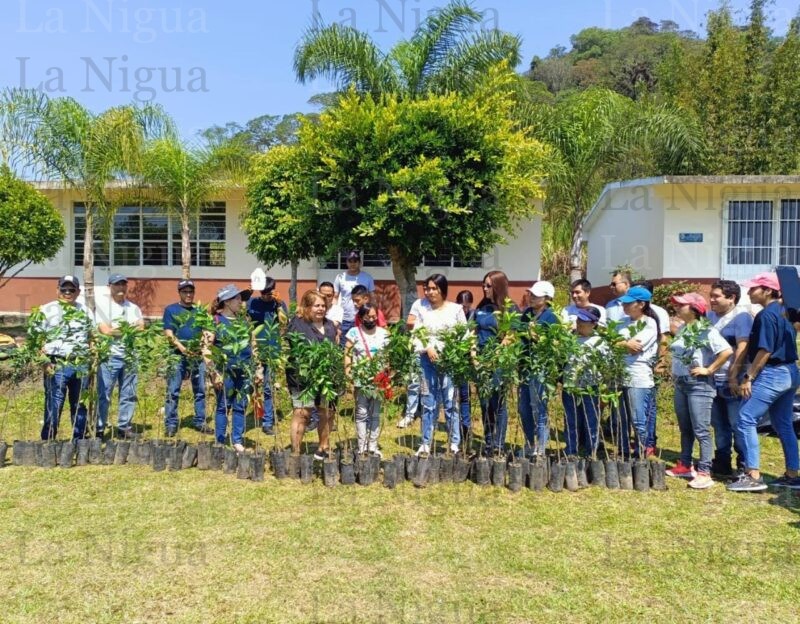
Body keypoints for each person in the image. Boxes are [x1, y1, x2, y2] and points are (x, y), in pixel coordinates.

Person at [728, 273, 800, 492]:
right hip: (791, 372)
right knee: (783, 424)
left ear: (768, 290)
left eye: (753, 288)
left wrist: (749, 377)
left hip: (772, 373)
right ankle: (793, 474)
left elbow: (765, 350)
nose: (749, 292)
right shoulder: (786, 312)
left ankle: (753, 475)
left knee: (745, 418)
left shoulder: (766, 315)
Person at [665, 293, 732, 490]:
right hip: (681, 383)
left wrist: (709, 369)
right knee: (685, 428)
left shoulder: (706, 330)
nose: (677, 308)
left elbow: (726, 351)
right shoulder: (685, 329)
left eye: (682, 305)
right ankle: (685, 465)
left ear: (694, 309)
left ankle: (704, 472)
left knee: (701, 430)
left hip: (699, 385)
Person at [413, 274, 467, 456]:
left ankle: (454, 443)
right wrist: (428, 347)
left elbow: (464, 335)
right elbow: (417, 333)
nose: (429, 292)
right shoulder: (423, 310)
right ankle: (426, 442)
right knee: (428, 401)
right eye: (427, 288)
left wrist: (453, 352)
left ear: (442, 289)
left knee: (451, 402)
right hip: (427, 361)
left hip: (449, 361)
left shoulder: (456, 310)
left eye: (433, 288)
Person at [205, 284, 260, 453]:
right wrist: (214, 373)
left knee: (241, 405)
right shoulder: (215, 321)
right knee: (223, 405)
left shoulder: (245, 321)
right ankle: (220, 441)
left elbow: (253, 346)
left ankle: (237, 440)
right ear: (227, 302)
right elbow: (206, 349)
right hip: (225, 371)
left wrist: (258, 369)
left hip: (245, 370)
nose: (241, 302)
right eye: (237, 299)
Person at [39, 275, 93, 441]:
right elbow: (38, 340)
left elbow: (92, 337)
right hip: (56, 363)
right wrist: (44, 362)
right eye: (64, 289)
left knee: (80, 404)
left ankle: (79, 439)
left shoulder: (85, 311)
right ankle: (48, 439)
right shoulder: (46, 310)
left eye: (72, 289)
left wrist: (93, 359)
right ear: (57, 290)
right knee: (54, 403)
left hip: (81, 363)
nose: (67, 292)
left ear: (78, 292)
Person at [285, 289, 338, 459]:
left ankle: (323, 447)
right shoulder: (297, 324)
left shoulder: (330, 325)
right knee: (302, 413)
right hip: (303, 378)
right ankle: (295, 453)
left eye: (323, 305)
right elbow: (294, 350)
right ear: (307, 307)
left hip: (326, 377)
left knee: (326, 412)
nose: (321, 309)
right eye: (317, 305)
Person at [708, 279, 752, 477]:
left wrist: (733, 376)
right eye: (711, 295)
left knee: (737, 423)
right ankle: (722, 462)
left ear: (731, 297)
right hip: (712, 379)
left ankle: (744, 463)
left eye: (716, 296)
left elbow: (743, 347)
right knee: (719, 424)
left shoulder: (741, 317)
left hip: (731, 381)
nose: (712, 300)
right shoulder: (709, 316)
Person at [475, 271, 518, 456]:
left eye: (488, 285)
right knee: (485, 404)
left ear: (498, 286)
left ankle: (499, 444)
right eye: (483, 285)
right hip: (481, 361)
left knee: (498, 404)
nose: (484, 288)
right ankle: (488, 442)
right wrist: (474, 355)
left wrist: (494, 357)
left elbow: (511, 336)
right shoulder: (482, 307)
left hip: (499, 362)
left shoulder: (510, 308)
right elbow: (473, 331)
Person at [95, 274, 144, 439]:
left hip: (130, 356)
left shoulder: (133, 308)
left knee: (129, 393)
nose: (121, 288)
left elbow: (141, 327)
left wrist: (117, 329)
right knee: (105, 394)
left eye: (123, 284)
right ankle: (100, 428)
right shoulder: (102, 307)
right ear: (110, 286)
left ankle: (124, 427)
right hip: (110, 357)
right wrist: (129, 329)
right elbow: (106, 331)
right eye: (117, 285)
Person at [615, 285, 659, 459]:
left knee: (638, 418)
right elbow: (612, 342)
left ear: (641, 304)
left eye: (629, 303)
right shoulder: (622, 323)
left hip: (638, 376)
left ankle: (641, 451)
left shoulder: (649, 323)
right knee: (622, 417)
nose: (624, 306)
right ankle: (625, 450)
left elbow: (635, 348)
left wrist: (620, 343)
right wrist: (624, 343)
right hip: (620, 373)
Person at [162, 279, 211, 437]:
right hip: (177, 356)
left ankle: (199, 421)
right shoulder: (171, 310)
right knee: (173, 390)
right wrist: (182, 349)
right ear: (179, 293)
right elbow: (169, 334)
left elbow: (205, 332)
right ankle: (171, 423)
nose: (188, 294)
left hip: (197, 356)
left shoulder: (199, 312)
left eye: (191, 292)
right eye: (185, 292)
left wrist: (203, 345)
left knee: (201, 390)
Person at [518, 280, 560, 457]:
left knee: (538, 407)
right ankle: (529, 443)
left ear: (547, 299)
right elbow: (518, 333)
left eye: (536, 295)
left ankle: (541, 448)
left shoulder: (551, 318)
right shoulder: (527, 313)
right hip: (525, 367)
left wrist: (537, 337)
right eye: (531, 294)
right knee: (524, 408)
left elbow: (555, 344)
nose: (532, 298)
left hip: (541, 368)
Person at [344, 304, 390, 456]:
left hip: (378, 379)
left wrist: (387, 374)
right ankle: (361, 445)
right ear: (361, 317)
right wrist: (348, 371)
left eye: (373, 317)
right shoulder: (353, 333)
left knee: (375, 413)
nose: (371, 319)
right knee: (362, 412)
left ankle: (373, 445)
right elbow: (348, 353)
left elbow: (388, 356)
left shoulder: (384, 333)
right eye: (367, 317)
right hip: (361, 378)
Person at [633, 279, 672, 454]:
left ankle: (649, 441)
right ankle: (636, 440)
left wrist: (661, 362)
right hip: (630, 365)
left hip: (648, 364)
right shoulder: (628, 311)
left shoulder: (658, 312)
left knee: (649, 405)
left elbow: (663, 339)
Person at [247, 275, 288, 436]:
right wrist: (247, 294)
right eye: (262, 292)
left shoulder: (278, 304)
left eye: (268, 292)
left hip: (272, 350)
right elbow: (242, 314)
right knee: (252, 384)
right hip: (254, 349)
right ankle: (253, 413)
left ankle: (267, 421)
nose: (265, 295)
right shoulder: (253, 302)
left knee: (269, 387)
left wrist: (278, 304)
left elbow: (285, 323)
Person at [562, 306, 605, 458]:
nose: (580, 323)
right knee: (570, 419)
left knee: (590, 419)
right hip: (570, 385)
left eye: (584, 321)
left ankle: (591, 451)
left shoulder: (599, 341)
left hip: (590, 386)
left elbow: (606, 366)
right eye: (579, 319)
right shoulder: (569, 338)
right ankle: (571, 449)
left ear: (594, 324)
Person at [397, 294, 430, 429]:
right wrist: (424, 325)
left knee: (426, 384)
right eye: (427, 288)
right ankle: (410, 414)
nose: (429, 292)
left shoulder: (442, 306)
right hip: (417, 348)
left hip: (431, 351)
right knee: (413, 382)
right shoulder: (418, 304)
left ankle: (425, 412)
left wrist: (421, 323)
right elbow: (410, 323)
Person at [334, 250, 375, 345]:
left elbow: (372, 297)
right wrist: (334, 315)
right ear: (346, 262)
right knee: (344, 346)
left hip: (363, 318)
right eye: (350, 261)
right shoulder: (340, 277)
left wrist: (372, 314)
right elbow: (335, 297)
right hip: (345, 319)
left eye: (355, 261)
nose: (352, 264)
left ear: (359, 263)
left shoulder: (367, 278)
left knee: (362, 345)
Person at [455, 290, 475, 443]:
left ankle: (466, 427)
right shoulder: (453, 316)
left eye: (467, 306)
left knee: (465, 396)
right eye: (462, 306)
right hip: (455, 362)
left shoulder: (474, 316)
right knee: (454, 397)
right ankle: (455, 429)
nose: (465, 309)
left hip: (469, 362)